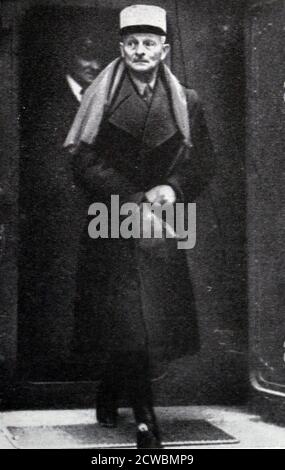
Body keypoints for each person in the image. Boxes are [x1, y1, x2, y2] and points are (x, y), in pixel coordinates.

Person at [65, 5, 215, 448]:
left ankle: (110, 388)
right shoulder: (101, 97)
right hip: (112, 218)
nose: (140, 51)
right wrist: (132, 199)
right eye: (132, 43)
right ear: (121, 48)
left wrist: (172, 187)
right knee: (130, 321)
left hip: (164, 221)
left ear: (164, 50)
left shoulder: (187, 100)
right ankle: (146, 419)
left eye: (150, 43)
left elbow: (204, 161)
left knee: (150, 323)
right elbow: (82, 162)